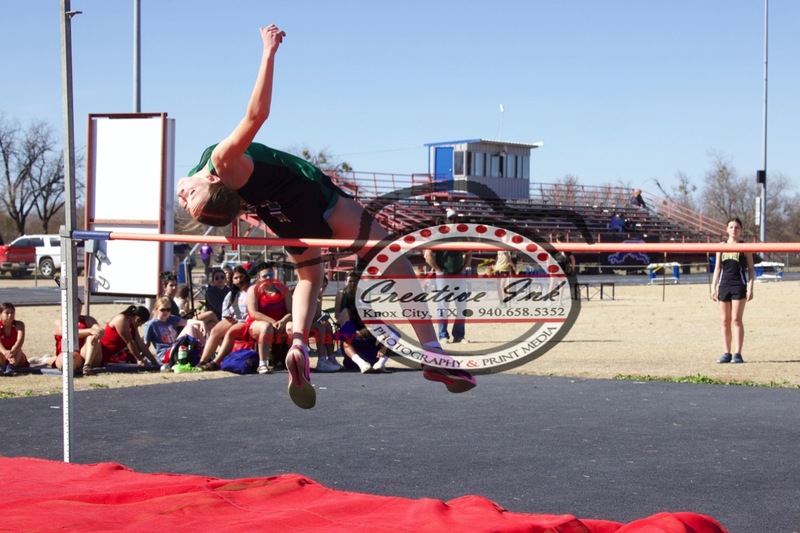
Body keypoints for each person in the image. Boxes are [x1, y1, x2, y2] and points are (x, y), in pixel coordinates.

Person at [176, 24, 475, 408]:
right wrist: (268, 52)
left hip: (283, 216)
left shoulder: (223, 174)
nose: (184, 197)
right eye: (190, 204)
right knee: (392, 260)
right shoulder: (221, 163)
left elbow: (251, 132)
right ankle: (433, 352)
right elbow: (255, 116)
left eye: (189, 200)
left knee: (310, 279)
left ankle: (299, 345)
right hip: (314, 199)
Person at [423, 208, 473, 344]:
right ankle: (443, 335)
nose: (454, 221)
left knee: (461, 306)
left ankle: (458, 335)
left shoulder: (461, 235)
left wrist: (463, 269)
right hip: (445, 274)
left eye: (456, 219)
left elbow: (469, 252)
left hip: (456, 274)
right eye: (451, 219)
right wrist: (439, 270)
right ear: (446, 220)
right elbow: (427, 254)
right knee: (443, 306)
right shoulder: (438, 235)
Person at [711, 217, 755, 364]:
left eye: (736, 227)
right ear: (726, 229)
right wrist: (713, 287)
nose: (734, 230)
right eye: (731, 227)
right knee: (725, 320)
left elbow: (751, 269)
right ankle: (726, 353)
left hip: (739, 285)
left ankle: (737, 354)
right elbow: (717, 268)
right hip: (724, 285)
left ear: (740, 230)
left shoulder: (744, 247)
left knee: (736, 319)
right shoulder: (721, 246)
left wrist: (751, 288)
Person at [335, 271, 391, 373]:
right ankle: (361, 363)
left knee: (390, 335)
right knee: (345, 317)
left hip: (368, 340)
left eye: (355, 281)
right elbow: (337, 315)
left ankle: (380, 363)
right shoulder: (341, 294)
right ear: (345, 282)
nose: (352, 284)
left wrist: (384, 348)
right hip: (350, 330)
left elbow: (393, 335)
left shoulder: (363, 294)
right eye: (350, 281)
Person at [197, 266, 251, 370]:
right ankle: (202, 361)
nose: (239, 280)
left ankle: (215, 362)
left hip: (246, 320)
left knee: (231, 332)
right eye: (236, 278)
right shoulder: (231, 294)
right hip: (233, 319)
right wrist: (228, 317)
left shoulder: (251, 290)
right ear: (232, 280)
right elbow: (225, 310)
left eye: (241, 277)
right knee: (215, 331)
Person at [85, 305, 157, 376]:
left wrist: (154, 361)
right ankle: (87, 365)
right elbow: (129, 342)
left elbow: (140, 344)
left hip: (103, 358)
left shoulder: (133, 325)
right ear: (137, 319)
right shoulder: (121, 319)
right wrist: (140, 359)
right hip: (97, 354)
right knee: (92, 339)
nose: (140, 326)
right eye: (141, 323)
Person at [50, 299, 103, 373]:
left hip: (87, 354)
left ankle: (87, 366)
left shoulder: (88, 320)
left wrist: (99, 333)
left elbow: (98, 329)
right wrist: (90, 331)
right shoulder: (59, 322)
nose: (76, 308)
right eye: (73, 305)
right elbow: (67, 333)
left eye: (78, 305)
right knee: (68, 358)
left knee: (92, 338)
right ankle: (68, 368)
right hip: (68, 354)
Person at [143, 297, 191, 366]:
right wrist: (142, 358)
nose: (166, 312)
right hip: (164, 353)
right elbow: (146, 344)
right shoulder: (151, 324)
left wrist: (202, 323)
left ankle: (203, 358)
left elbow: (188, 322)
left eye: (168, 310)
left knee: (191, 326)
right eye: (163, 310)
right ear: (156, 310)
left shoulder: (172, 318)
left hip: (176, 348)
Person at [311, 275, 341, 372]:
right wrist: (319, 321)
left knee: (327, 325)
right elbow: (306, 318)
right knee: (321, 326)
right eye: (320, 286)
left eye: (324, 287)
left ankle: (331, 357)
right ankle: (321, 360)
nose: (322, 289)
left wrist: (321, 319)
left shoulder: (319, 296)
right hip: (303, 325)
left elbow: (316, 316)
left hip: (312, 324)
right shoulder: (310, 296)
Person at [0, 302, 29, 376]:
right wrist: (5, 353)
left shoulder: (19, 325)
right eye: (7, 313)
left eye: (12, 313)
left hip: (16, 356)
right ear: (0, 314)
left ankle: (10, 367)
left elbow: (20, 341)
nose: (10, 315)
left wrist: (11, 352)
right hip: (2, 354)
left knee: (18, 350)